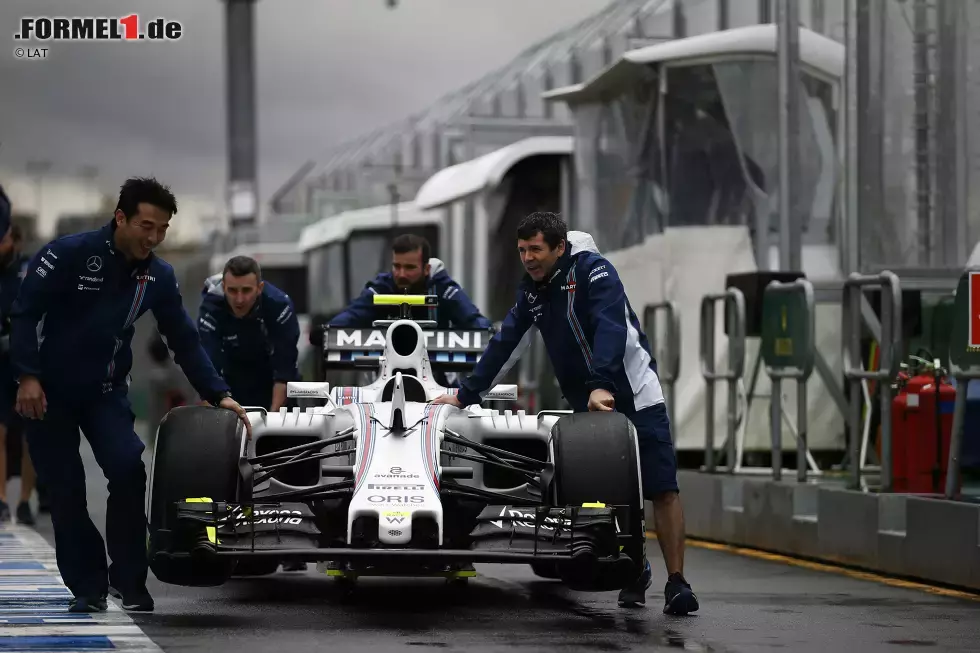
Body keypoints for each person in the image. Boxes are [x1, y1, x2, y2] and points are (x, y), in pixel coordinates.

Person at [432, 212, 699, 615]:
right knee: (604, 494)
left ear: (559, 248)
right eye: (522, 250)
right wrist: (465, 395)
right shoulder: (533, 293)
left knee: (662, 487)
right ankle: (634, 569)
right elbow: (506, 342)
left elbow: (610, 326)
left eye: (536, 249)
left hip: (634, 393)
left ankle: (677, 582)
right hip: (588, 403)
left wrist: (601, 383)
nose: (528, 258)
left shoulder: (596, 272)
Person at [9, 176, 251, 614]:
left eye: (162, 230)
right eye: (146, 226)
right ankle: (88, 585)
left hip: (105, 393)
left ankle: (129, 580)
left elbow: (183, 337)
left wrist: (218, 393)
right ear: (120, 218)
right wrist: (27, 377)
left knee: (127, 471)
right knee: (66, 491)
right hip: (48, 394)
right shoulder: (67, 254)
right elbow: (24, 316)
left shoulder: (158, 275)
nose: (154, 237)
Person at [198, 255, 301, 412]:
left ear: (259, 288)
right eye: (232, 291)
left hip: (272, 381)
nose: (239, 299)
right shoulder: (211, 308)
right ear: (224, 286)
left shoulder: (279, 305)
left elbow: (284, 371)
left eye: (246, 290)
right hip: (231, 384)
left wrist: (269, 424)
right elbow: (209, 370)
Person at [329, 233, 491, 330]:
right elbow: (353, 315)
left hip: (436, 376)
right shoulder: (382, 287)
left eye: (409, 267)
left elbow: (472, 318)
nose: (401, 274)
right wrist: (328, 329)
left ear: (427, 269)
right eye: (397, 266)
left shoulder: (442, 287)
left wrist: (490, 332)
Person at [0, 190, 36, 526]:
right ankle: (0, 499)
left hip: (27, 361)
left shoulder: (30, 270)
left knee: (29, 435)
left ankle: (24, 500)